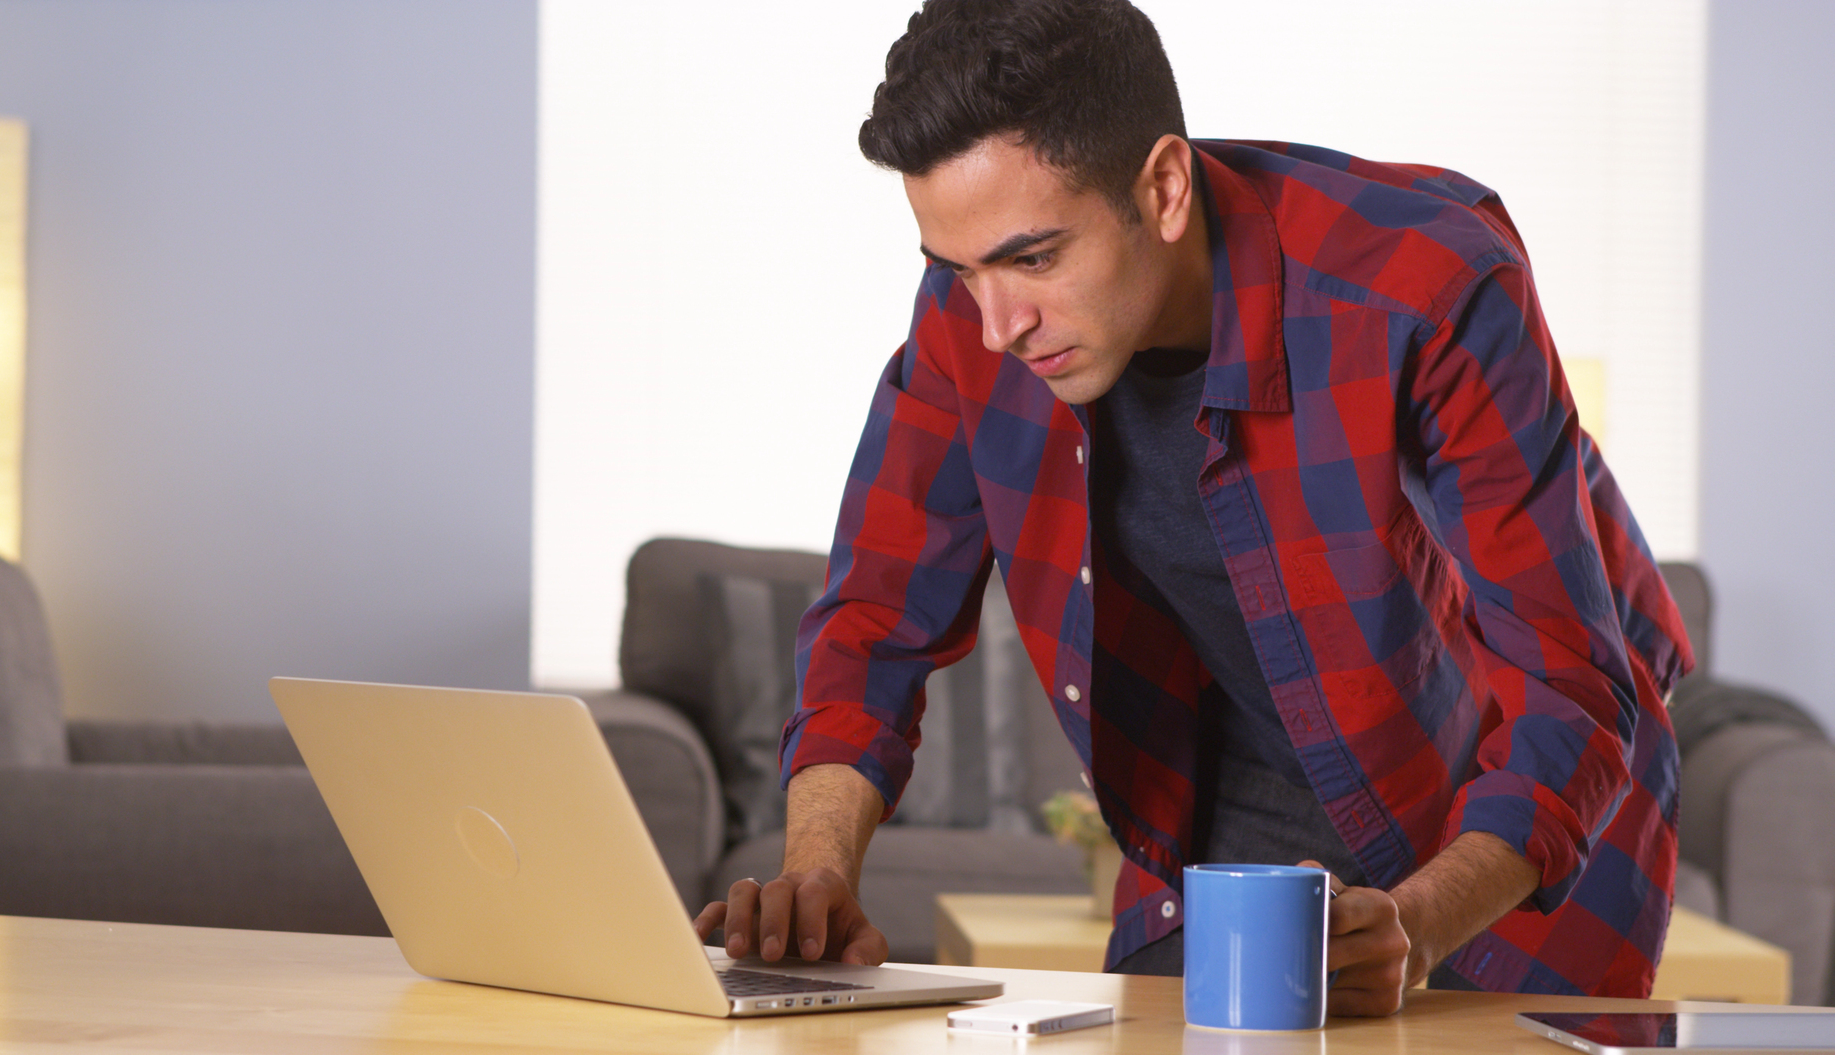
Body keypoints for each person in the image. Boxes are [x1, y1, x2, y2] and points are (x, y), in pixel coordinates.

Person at [691, 0, 1692, 1015]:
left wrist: (1421, 921)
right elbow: (874, 617)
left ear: (1162, 187)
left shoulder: (1424, 283)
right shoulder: (978, 314)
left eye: (1034, 258)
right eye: (957, 270)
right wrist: (817, 872)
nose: (995, 325)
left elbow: (1567, 684)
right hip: (1237, 796)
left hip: (1511, 804)